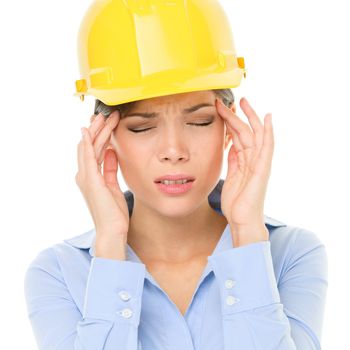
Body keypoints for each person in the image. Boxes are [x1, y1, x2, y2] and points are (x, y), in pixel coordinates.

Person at [24, 1, 328, 349]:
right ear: (105, 139)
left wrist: (247, 234)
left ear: (229, 128)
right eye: (142, 127)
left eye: (199, 122)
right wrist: (109, 245)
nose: (174, 149)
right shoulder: (57, 273)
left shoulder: (292, 253)